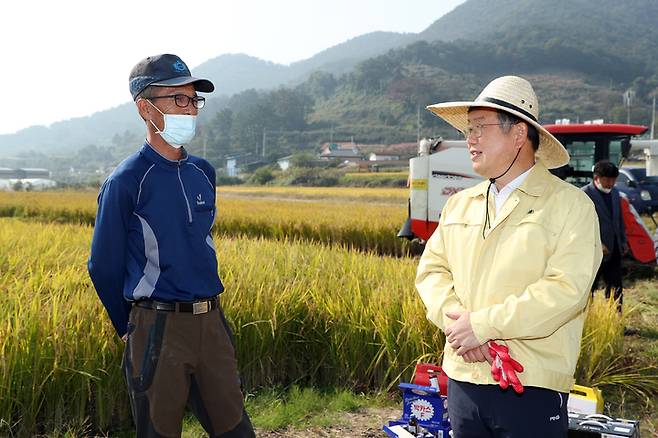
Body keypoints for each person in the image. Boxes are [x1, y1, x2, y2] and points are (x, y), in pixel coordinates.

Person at [415, 76, 602, 437]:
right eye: (468, 129)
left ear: (519, 135)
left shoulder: (569, 206)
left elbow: (565, 290)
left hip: (528, 383)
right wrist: (460, 329)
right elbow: (432, 272)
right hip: (463, 378)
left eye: (480, 128)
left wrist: (483, 326)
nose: (470, 138)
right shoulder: (459, 204)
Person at [88, 54, 255, 438]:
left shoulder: (203, 172)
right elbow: (102, 264)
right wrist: (130, 326)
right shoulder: (127, 180)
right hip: (156, 326)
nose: (190, 110)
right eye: (178, 100)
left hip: (211, 322)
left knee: (236, 430)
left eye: (193, 100)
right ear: (146, 108)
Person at [582, 161, 627, 310]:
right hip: (592, 252)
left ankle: (616, 322)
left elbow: (618, 220)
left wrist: (623, 241)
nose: (611, 184)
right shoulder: (583, 195)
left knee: (616, 287)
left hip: (614, 249)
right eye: (607, 180)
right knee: (588, 289)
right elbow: (581, 225)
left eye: (613, 180)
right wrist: (597, 243)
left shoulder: (615, 193)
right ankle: (586, 323)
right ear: (596, 178)